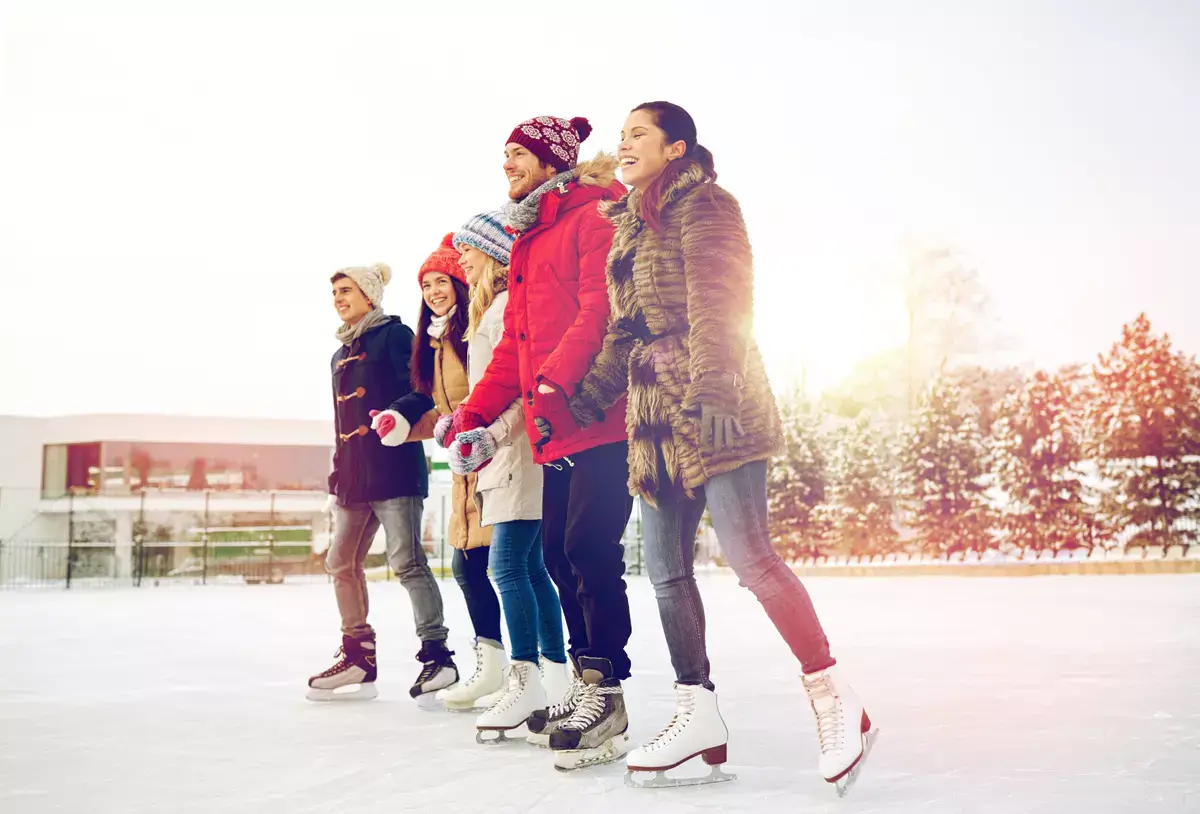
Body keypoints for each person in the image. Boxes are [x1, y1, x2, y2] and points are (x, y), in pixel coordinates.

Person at [565, 102, 877, 794]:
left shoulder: (706, 205)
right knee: (666, 573)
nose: (624, 145)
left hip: (715, 405)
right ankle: (696, 712)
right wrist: (582, 399)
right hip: (652, 419)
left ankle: (835, 698)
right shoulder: (625, 228)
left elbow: (723, 302)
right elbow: (624, 333)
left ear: (677, 147)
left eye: (638, 134)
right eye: (620, 138)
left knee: (750, 556)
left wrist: (713, 391)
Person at [447, 115, 634, 770]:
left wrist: (554, 385)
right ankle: (586, 687)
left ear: (553, 158)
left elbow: (599, 309)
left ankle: (606, 689)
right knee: (556, 553)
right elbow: (513, 352)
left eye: (517, 156)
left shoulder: (595, 212)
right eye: (503, 159)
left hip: (599, 414)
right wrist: (473, 413)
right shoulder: (529, 239)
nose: (507, 167)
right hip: (555, 428)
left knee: (588, 548)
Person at [444, 211, 571, 743]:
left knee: (508, 567)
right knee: (532, 568)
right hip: (504, 456)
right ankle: (556, 680)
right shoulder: (488, 314)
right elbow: (484, 392)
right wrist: (461, 422)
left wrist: (489, 434)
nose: (462, 259)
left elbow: (517, 391)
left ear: (495, 253)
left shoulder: (499, 313)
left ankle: (527, 678)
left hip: (517, 456)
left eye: (469, 250)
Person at [308, 261, 456, 703]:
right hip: (352, 479)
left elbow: (423, 389)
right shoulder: (339, 355)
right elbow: (341, 421)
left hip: (393, 468)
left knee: (406, 561)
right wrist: (337, 474)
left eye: (346, 291)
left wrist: (395, 416)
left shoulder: (395, 335)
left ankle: (437, 655)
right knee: (340, 562)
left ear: (370, 294)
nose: (339, 299)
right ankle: (358, 655)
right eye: (334, 293)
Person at [373, 235, 505, 711]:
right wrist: (403, 424)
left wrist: (470, 427)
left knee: (504, 569)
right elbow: (442, 410)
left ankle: (527, 667)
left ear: (461, 281)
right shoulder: (436, 342)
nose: (433, 291)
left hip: (498, 459)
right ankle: (492, 663)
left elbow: (489, 395)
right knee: (468, 568)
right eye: (426, 284)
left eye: (441, 280)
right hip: (465, 469)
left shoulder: (473, 334)